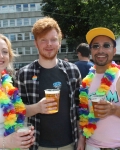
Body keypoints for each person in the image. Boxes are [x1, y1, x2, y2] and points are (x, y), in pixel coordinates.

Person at [15, 17, 81, 150]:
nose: (49, 44)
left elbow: (80, 109)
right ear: (36, 43)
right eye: (43, 40)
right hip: (38, 144)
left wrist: (81, 138)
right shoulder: (24, 73)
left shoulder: (72, 71)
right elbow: (17, 111)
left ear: (60, 42)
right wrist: (38, 108)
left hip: (69, 143)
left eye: (53, 39)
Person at [77, 27, 120, 150]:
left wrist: (114, 109)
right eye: (96, 46)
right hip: (91, 146)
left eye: (106, 46)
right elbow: (84, 115)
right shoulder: (86, 81)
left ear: (114, 50)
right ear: (91, 51)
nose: (100, 50)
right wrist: (82, 138)